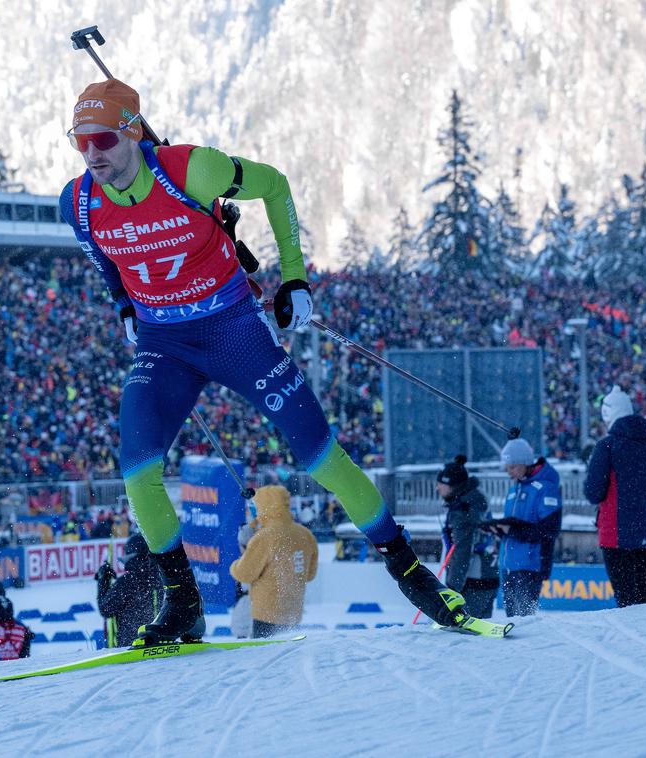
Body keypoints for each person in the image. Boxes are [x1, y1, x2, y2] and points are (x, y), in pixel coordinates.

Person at [60, 78, 467, 643]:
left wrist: (295, 278)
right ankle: (183, 605)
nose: (91, 153)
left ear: (132, 131)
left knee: (320, 456)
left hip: (233, 329)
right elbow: (105, 258)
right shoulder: (76, 202)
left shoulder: (191, 170)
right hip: (163, 343)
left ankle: (410, 572)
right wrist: (124, 304)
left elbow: (275, 186)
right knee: (137, 469)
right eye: (79, 142)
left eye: (102, 138)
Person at [585, 386, 646, 607]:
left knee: (625, 596)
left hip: (616, 532)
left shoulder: (607, 447)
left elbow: (593, 493)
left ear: (607, 415)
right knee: (642, 591)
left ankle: (636, 639)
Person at [486, 438, 563, 617]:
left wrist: (511, 530)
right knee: (512, 619)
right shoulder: (514, 491)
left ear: (525, 463)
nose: (509, 472)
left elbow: (548, 530)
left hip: (529, 565)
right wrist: (496, 528)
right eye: (507, 467)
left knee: (524, 620)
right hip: (508, 564)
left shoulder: (545, 489)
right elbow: (514, 523)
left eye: (512, 467)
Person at [229, 485, 318, 637]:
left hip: (266, 613)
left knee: (265, 655)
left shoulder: (264, 537)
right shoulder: (305, 534)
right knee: (286, 657)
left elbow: (244, 574)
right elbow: (309, 574)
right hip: (292, 612)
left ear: (263, 507)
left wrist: (237, 561)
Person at [436, 455, 499, 618]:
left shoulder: (462, 510)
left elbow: (462, 551)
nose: (437, 489)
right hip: (490, 575)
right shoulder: (475, 500)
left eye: (440, 484)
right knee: (480, 633)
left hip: (473, 581)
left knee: (464, 634)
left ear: (452, 485)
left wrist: (452, 590)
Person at [95, 533, 163, 647]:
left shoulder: (128, 581)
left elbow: (105, 609)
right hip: (159, 643)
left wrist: (103, 581)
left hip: (131, 648)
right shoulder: (161, 577)